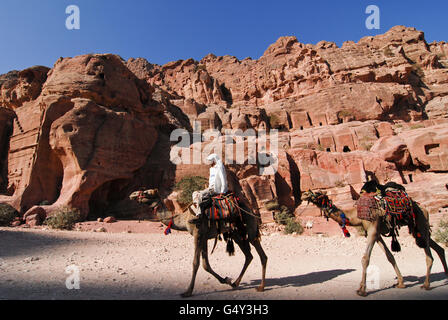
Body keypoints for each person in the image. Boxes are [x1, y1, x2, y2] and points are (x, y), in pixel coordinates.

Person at [190, 153, 228, 222]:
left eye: (210, 161)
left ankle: (199, 214)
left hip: (215, 189)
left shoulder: (219, 167)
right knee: (194, 193)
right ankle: (197, 210)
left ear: (214, 160)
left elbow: (223, 179)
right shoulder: (211, 169)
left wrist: (222, 191)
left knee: (200, 195)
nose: (209, 163)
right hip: (210, 188)